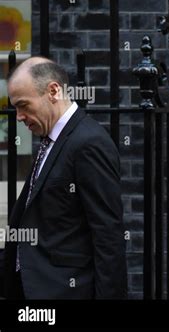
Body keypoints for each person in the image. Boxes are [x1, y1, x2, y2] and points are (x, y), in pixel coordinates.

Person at [4, 57, 127, 299]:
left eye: (23, 105)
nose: (18, 116)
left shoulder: (88, 143)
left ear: (53, 91)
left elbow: (108, 236)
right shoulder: (51, 140)